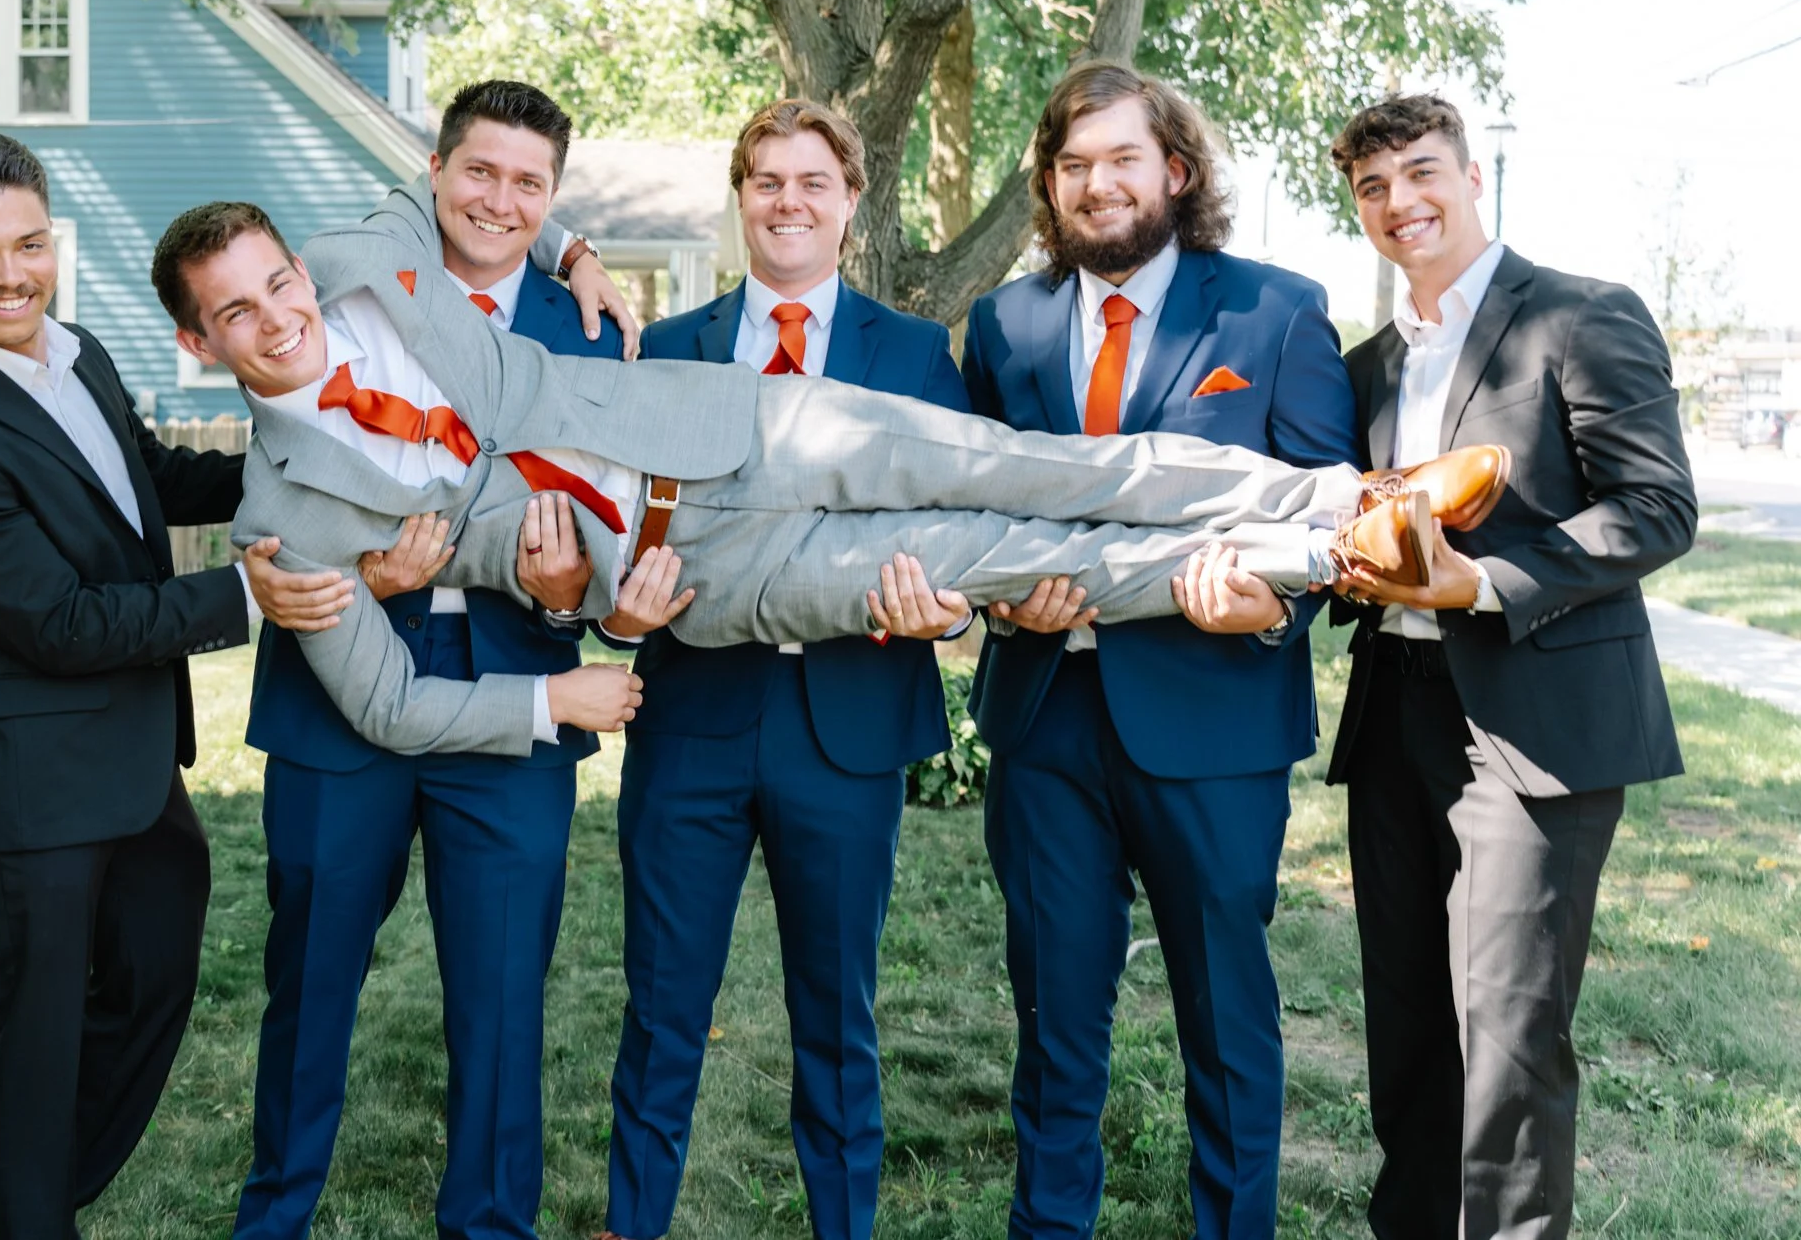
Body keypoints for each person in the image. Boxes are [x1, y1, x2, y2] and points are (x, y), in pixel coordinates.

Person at [152, 183, 1494, 765]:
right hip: (702, 576)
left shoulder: (361, 250)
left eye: (277, 283)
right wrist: (548, 691)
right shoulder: (282, 521)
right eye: (241, 315)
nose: (280, 319)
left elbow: (477, 187)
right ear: (197, 341)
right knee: (1010, 554)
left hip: (742, 423)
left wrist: (567, 250)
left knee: (1035, 468)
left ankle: (1347, 496)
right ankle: (1338, 556)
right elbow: (387, 704)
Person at [0, 130, 354, 1240]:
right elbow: (59, 622)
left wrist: (301, 469)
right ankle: (25, 1213)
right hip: (28, 785)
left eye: (30, 244)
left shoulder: (74, 348)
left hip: (132, 768)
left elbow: (148, 482)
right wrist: (245, 598)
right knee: (35, 1049)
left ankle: (33, 1201)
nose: (11, 275)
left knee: (148, 987)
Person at [221, 81, 627, 1240]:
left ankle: (489, 1224)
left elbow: (612, 524)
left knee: (501, 998)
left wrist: (568, 597)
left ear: (552, 196)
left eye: (530, 185)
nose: (499, 201)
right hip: (332, 683)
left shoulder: (586, 328)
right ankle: (273, 1218)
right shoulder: (349, 284)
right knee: (310, 983)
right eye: (478, 172)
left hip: (511, 682)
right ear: (434, 171)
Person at [957, 60, 1355, 1239]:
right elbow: (970, 512)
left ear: (1174, 171)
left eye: (1122, 158)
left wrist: (1271, 609)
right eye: (1072, 166)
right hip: (1042, 723)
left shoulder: (1272, 312)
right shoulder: (1006, 324)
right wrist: (991, 600)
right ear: (1049, 186)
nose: (1097, 184)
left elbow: (1333, 525)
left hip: (1213, 717)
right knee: (1054, 1018)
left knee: (1226, 1023)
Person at [596, 100, 998, 1240]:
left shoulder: (914, 354)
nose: (787, 201)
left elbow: (959, 526)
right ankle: (634, 1222)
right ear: (741, 198)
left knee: (837, 1016)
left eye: (811, 181)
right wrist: (619, 623)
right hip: (692, 722)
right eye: (765, 180)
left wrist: (944, 612)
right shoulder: (667, 352)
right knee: (663, 1009)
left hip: (848, 720)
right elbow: (618, 538)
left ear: (850, 200)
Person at [1325, 94, 1695, 1240]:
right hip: (1395, 715)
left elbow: (1656, 507)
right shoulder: (1366, 363)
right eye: (1374, 187)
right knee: (1406, 1023)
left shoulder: (1581, 315)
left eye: (1422, 172)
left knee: (1508, 1037)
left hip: (1536, 724)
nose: (1402, 203)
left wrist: (1482, 582)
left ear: (1472, 176)